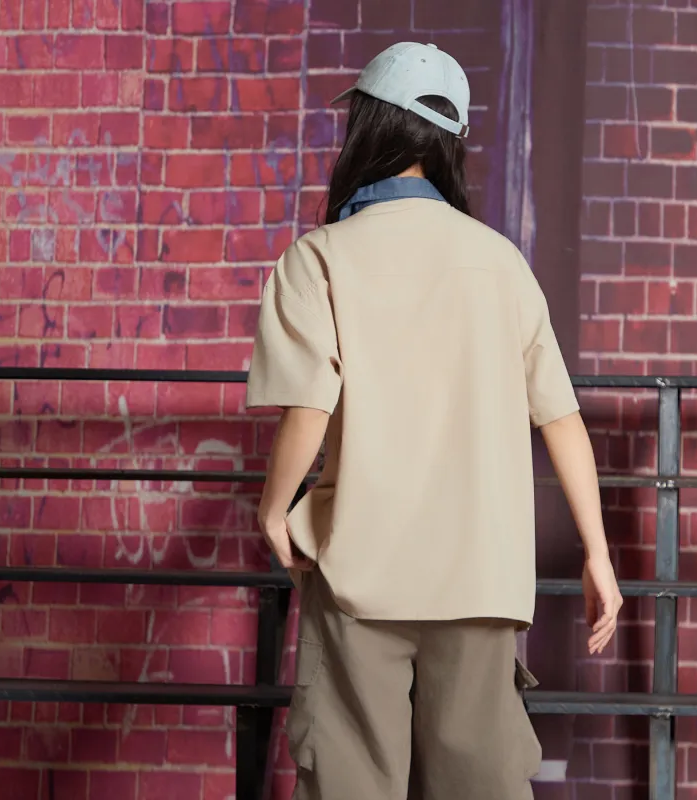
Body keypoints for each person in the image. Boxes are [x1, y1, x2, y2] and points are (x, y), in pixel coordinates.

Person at [246, 42, 622, 800]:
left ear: (367, 128)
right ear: (451, 144)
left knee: (350, 781)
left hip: (360, 569)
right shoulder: (501, 262)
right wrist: (598, 554)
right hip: (480, 576)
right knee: (479, 785)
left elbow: (309, 407)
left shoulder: (320, 259)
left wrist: (273, 508)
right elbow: (560, 418)